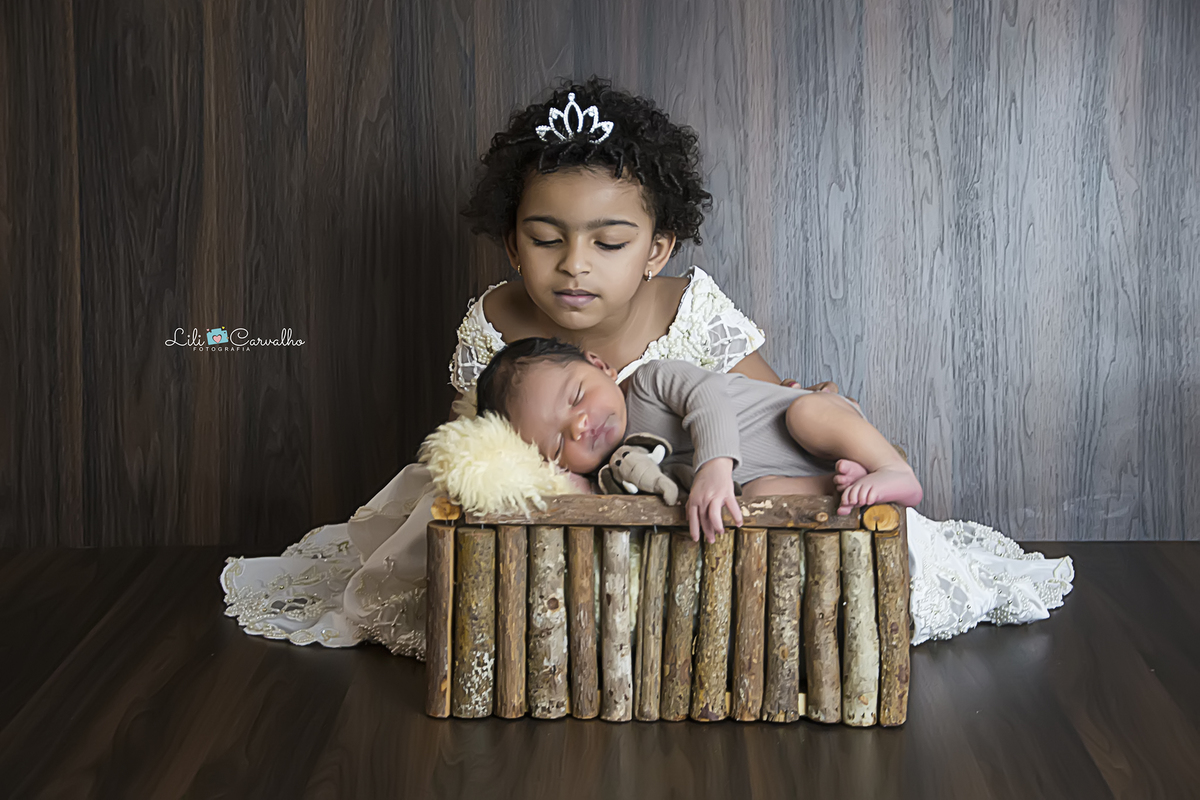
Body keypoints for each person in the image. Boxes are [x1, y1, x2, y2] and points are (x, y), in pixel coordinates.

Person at [221, 76, 1073, 656]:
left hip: (702, 500)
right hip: (576, 514)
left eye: (610, 242)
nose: (574, 266)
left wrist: (807, 413)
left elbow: (759, 404)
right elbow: (475, 435)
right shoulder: (498, 319)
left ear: (657, 247)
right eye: (546, 240)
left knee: (792, 503)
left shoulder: (686, 307)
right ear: (512, 243)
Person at [475, 337, 923, 543]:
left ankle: (893, 468)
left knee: (806, 412)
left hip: (821, 430)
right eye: (557, 445)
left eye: (576, 396)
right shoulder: (616, 476)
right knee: (757, 499)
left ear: (599, 364)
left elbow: (707, 396)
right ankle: (845, 487)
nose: (579, 426)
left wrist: (714, 465)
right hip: (807, 476)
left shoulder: (650, 383)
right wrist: (575, 488)